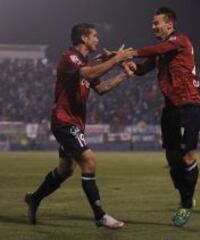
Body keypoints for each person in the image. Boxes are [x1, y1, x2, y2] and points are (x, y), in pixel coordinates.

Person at [24, 23, 134, 229]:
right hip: (64, 120)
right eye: (95, 36)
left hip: (75, 122)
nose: (98, 40)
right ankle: (99, 215)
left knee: (66, 170)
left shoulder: (85, 62)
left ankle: (34, 198)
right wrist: (117, 59)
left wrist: (123, 75)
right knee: (89, 162)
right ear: (83, 38)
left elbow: (101, 87)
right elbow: (90, 74)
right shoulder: (70, 57)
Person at [124, 7, 200, 227]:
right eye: (152, 23)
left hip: (189, 105)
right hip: (170, 107)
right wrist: (123, 61)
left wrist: (131, 52)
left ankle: (186, 204)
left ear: (170, 24)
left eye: (157, 23)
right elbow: (141, 70)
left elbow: (157, 48)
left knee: (186, 155)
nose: (153, 27)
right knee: (171, 157)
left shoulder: (179, 40)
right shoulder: (160, 52)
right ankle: (185, 195)